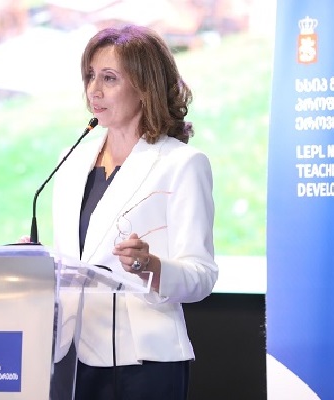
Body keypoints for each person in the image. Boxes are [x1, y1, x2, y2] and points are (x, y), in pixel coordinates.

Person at [50, 25, 217, 400]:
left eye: (109, 78)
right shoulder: (70, 161)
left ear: (145, 87)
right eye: (91, 76)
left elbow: (201, 275)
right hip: (71, 356)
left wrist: (150, 266)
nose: (94, 90)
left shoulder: (181, 164)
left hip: (143, 360)